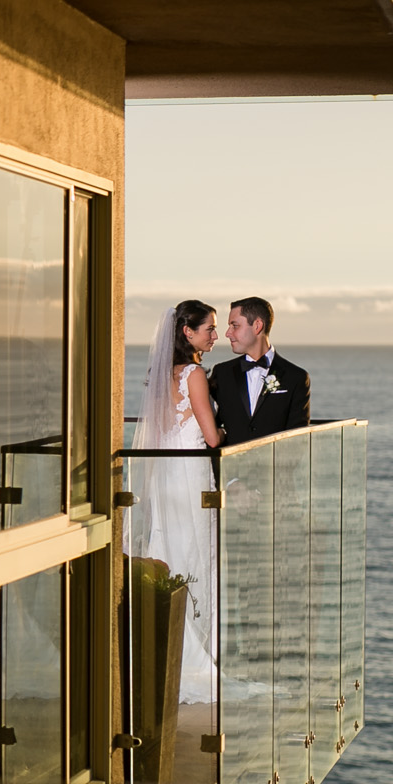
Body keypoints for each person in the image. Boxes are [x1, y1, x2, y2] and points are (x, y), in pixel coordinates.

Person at [131, 300, 222, 704]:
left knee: (166, 549)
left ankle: (159, 646)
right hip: (189, 477)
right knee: (194, 557)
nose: (214, 336)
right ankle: (190, 659)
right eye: (209, 329)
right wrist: (223, 425)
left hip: (164, 476)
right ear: (188, 333)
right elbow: (213, 436)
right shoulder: (193, 374)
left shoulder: (159, 375)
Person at [209, 296, 310, 447]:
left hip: (276, 469)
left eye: (234, 326)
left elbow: (298, 440)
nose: (228, 333)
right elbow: (209, 428)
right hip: (229, 468)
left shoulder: (296, 377)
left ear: (257, 326)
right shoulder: (222, 373)